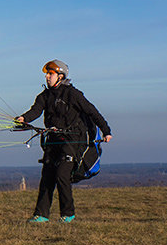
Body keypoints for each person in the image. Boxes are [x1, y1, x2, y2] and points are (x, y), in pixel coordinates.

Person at [14, 60, 112, 223]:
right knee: (47, 176)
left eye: (50, 74)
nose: (47, 77)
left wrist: (106, 130)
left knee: (62, 175)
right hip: (53, 140)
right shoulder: (44, 96)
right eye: (46, 74)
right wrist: (24, 118)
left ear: (60, 76)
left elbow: (92, 111)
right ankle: (41, 214)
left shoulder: (72, 94)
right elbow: (35, 111)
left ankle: (67, 214)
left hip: (72, 141)